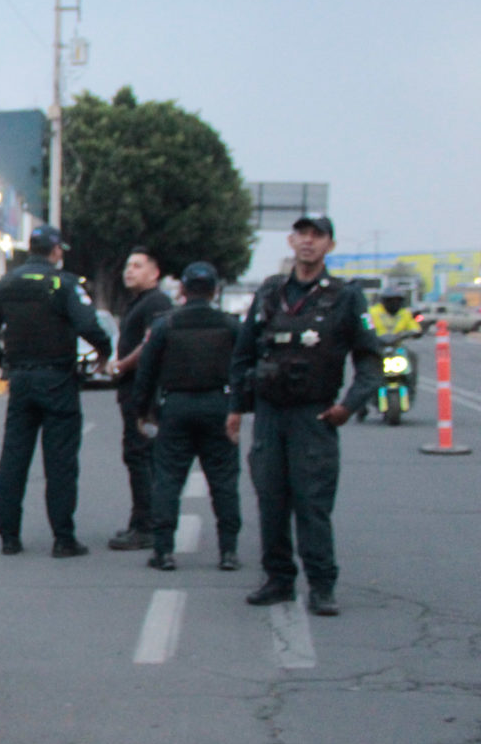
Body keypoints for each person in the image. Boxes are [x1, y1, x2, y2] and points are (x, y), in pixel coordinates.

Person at [228, 215, 380, 616]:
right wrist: (236, 409)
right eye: (303, 235)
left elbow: (370, 360)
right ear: (291, 241)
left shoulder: (345, 296)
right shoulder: (270, 292)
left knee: (312, 502)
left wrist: (349, 405)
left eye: (318, 236)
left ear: (329, 244)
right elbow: (243, 354)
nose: (308, 242)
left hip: (314, 415)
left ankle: (321, 585)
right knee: (271, 500)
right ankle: (278, 579)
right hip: (269, 413)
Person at [0, 224, 112, 557]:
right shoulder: (62, 284)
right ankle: (63, 539)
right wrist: (105, 352)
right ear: (55, 252)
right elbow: (88, 325)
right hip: (57, 380)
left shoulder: (6, 284)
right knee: (61, 463)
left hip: (21, 380)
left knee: (13, 458)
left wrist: (5, 363)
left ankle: (9, 537)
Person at [131, 261, 242, 572]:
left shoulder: (166, 325)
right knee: (223, 480)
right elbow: (245, 368)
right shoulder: (231, 326)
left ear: (182, 289)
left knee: (167, 480)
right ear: (215, 291)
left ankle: (164, 551)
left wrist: (142, 411)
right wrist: (238, 407)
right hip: (218, 406)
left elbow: (147, 373)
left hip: (176, 408)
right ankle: (228, 551)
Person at [107, 245, 174, 551]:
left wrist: (121, 365)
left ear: (154, 272)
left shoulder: (157, 302)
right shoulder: (140, 302)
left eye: (137, 265)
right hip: (133, 390)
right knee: (137, 456)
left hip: (145, 393)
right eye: (128, 266)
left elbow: (151, 343)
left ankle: (147, 525)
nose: (129, 271)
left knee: (143, 456)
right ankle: (142, 521)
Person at [369, 291, 423, 406]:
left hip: (397, 347)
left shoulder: (404, 313)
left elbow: (414, 327)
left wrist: (415, 332)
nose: (394, 303)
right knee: (365, 363)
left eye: (397, 301)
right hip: (377, 347)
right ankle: (362, 400)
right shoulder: (373, 312)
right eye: (390, 301)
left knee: (412, 357)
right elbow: (364, 324)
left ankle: (410, 386)